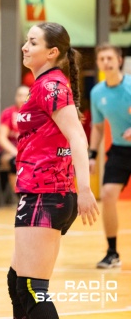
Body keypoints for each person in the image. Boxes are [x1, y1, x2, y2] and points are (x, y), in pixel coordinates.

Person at [8, 22, 99, 319]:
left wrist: (84, 189)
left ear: (52, 52)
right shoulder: (46, 83)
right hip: (39, 192)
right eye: (26, 41)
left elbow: (77, 137)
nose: (25, 46)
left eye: (33, 42)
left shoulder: (50, 85)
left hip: (47, 194)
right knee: (17, 283)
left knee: (33, 289)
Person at [88, 43, 131, 269]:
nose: (106, 62)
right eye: (102, 59)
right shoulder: (97, 92)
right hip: (121, 150)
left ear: (119, 60)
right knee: (107, 193)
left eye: (110, 58)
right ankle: (112, 252)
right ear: (98, 63)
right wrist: (92, 155)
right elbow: (97, 127)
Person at [0, 85, 29, 192]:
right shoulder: (8, 113)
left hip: (29, 151)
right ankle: (19, 196)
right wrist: (16, 152)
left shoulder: (35, 113)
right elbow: (1, 138)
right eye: (19, 95)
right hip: (11, 151)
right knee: (15, 162)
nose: (22, 98)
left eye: (25, 95)